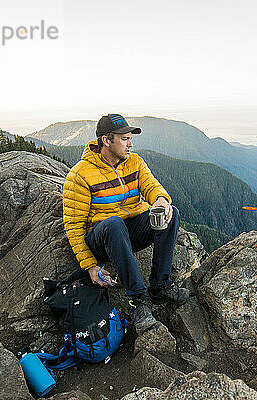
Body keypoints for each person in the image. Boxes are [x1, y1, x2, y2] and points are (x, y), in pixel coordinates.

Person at [62, 113, 188, 334]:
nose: (130, 144)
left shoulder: (135, 162)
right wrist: (91, 266)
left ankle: (160, 286)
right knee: (114, 224)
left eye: (130, 138)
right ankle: (138, 300)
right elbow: (73, 227)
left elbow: (151, 186)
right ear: (106, 141)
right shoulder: (80, 175)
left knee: (172, 213)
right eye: (124, 139)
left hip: (129, 233)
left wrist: (160, 199)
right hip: (103, 237)